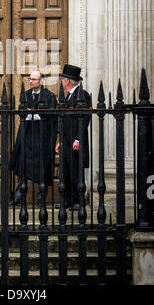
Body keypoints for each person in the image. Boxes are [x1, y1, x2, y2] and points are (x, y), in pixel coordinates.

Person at [9, 70, 58, 205]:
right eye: (30, 79)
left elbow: (50, 117)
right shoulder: (26, 94)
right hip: (27, 136)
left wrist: (34, 114)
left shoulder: (49, 96)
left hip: (41, 138)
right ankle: (18, 196)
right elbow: (22, 111)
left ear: (41, 81)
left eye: (34, 79)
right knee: (22, 165)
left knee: (42, 168)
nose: (31, 81)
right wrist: (32, 114)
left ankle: (41, 198)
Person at [55, 64, 91, 210]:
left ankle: (78, 200)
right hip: (66, 141)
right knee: (66, 172)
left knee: (76, 172)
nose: (61, 81)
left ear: (68, 80)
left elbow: (85, 119)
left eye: (62, 79)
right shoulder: (67, 97)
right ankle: (67, 200)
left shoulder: (83, 95)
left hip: (75, 141)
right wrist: (60, 140)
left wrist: (78, 139)